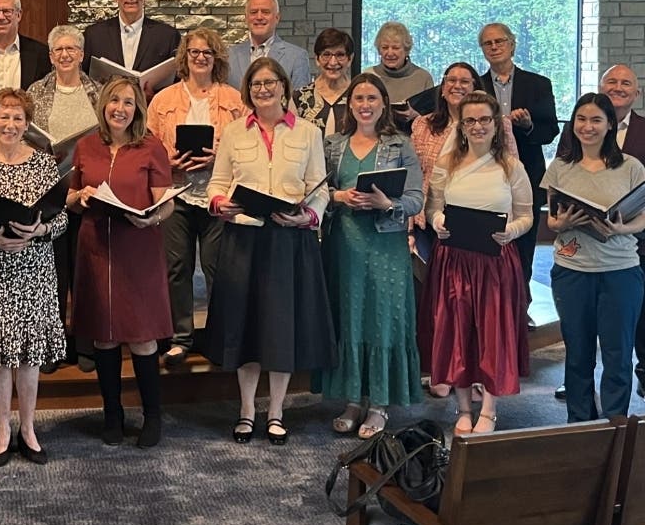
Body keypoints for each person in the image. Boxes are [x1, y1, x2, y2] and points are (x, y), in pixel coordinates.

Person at [204, 57, 334, 446]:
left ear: (283, 86)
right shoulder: (232, 132)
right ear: (248, 90)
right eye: (256, 84)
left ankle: (276, 412)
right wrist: (219, 203)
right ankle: (246, 410)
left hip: (288, 241)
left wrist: (308, 216)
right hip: (244, 238)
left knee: (281, 329)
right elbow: (218, 182)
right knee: (245, 327)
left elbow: (320, 186)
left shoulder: (308, 133)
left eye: (270, 82)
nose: (263, 89)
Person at [0, 89, 68, 465]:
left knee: (30, 356)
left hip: (34, 271)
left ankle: (29, 428)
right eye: (4, 117)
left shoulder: (44, 164)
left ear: (27, 124)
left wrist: (38, 232)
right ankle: (3, 427)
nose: (10, 124)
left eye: (18, 118)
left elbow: (62, 218)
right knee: (0, 357)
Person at [66, 77, 174, 447]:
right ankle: (112, 415)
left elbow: (166, 201)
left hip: (137, 248)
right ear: (103, 105)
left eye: (129, 103)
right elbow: (69, 196)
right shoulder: (86, 145)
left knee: (143, 338)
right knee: (104, 338)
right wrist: (78, 196)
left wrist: (152, 217)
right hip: (95, 247)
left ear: (137, 110)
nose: (120, 109)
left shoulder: (151, 147)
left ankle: (153, 416)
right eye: (115, 101)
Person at [319, 73, 424, 438]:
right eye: (358, 98)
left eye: (372, 98)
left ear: (383, 103)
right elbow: (317, 189)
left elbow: (415, 199)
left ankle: (378, 404)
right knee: (349, 318)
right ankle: (352, 399)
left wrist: (386, 203)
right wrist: (339, 196)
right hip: (343, 244)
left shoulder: (400, 144)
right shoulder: (333, 144)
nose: (365, 105)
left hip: (385, 246)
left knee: (382, 318)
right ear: (350, 104)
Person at [424, 92, 533, 435]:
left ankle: (488, 408)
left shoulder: (511, 167)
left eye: (484, 119)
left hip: (495, 262)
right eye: (470, 120)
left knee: (492, 334)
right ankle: (463, 408)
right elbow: (433, 207)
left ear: (495, 124)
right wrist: (438, 221)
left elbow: (527, 215)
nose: (477, 126)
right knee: (456, 332)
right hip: (453, 260)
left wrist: (510, 231)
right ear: (462, 125)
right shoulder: (447, 164)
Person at [410, 62, 519, 399]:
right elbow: (416, 171)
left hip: (486, 228)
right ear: (442, 87)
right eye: (451, 80)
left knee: (480, 310)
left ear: (475, 86)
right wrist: (424, 214)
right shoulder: (424, 124)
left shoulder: (497, 124)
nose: (457, 85)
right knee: (445, 305)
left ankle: (476, 374)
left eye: (465, 81)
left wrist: (508, 224)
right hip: (435, 221)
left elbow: (511, 170)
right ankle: (447, 370)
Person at [146, 28, 244, 367]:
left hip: (217, 194)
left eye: (206, 52)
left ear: (216, 58)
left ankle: (218, 337)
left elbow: (246, 147)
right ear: (184, 58)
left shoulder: (234, 99)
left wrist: (219, 157)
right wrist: (167, 162)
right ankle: (180, 338)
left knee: (218, 268)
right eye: (193, 52)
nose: (200, 57)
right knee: (177, 268)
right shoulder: (163, 100)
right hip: (177, 193)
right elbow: (148, 147)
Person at [544, 93, 645, 423]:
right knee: (578, 355)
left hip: (620, 271)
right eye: (581, 119)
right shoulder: (560, 167)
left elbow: (644, 217)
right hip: (572, 270)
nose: (587, 127)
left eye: (596, 120)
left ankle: (614, 428)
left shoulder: (631, 167)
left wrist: (620, 227)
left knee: (617, 355)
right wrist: (564, 222)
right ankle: (580, 426)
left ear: (609, 125)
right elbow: (552, 221)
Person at [26, 24, 102, 372]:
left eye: (72, 49)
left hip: (89, 192)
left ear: (82, 54)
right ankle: (53, 345)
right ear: (51, 55)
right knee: (52, 273)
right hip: (50, 193)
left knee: (85, 271)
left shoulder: (99, 92)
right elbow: (25, 139)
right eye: (59, 50)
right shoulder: (35, 91)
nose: (66, 55)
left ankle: (86, 345)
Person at [478, 22, 559, 324]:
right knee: (491, 242)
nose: (495, 47)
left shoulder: (538, 84)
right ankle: (488, 309)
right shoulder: (476, 86)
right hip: (485, 177)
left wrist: (526, 127)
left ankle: (520, 308)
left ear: (512, 45)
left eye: (500, 41)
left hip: (527, 173)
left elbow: (550, 130)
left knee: (523, 242)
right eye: (488, 43)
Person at [599, 66, 645, 396]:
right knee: (589, 311)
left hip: (638, 237)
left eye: (626, 83)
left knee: (640, 310)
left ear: (636, 93)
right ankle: (582, 373)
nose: (618, 88)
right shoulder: (582, 126)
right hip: (588, 237)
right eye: (612, 82)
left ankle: (643, 371)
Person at [81, 0, 181, 93]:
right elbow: (83, 77)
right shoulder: (93, 35)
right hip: (105, 110)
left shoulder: (168, 36)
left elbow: (179, 81)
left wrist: (155, 96)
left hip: (151, 109)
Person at [226, 0, 311, 93]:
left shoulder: (297, 57)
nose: (259, 17)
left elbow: (300, 103)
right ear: (246, 18)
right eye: (253, 12)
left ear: (277, 18)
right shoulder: (228, 56)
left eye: (266, 12)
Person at [363, 21, 434, 129]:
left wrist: (416, 116)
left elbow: (433, 118)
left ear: (406, 50)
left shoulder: (423, 77)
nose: (390, 53)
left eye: (395, 48)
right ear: (379, 50)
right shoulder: (368, 76)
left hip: (412, 139)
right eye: (385, 47)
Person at [293, 28, 354, 136]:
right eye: (326, 55)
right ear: (317, 59)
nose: (333, 62)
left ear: (350, 59)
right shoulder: (298, 98)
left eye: (340, 55)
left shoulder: (358, 96)